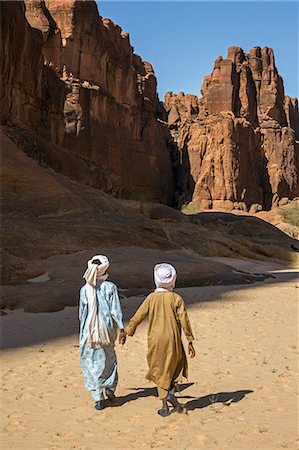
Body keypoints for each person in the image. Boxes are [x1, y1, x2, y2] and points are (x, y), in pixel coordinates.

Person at [125, 262, 196, 417]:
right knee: (173, 366)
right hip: (173, 338)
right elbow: (184, 321)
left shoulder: (151, 298)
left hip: (155, 339)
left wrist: (128, 330)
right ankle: (169, 394)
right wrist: (190, 340)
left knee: (159, 368)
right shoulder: (176, 298)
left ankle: (164, 405)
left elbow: (138, 316)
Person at [79, 255, 126, 410]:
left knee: (91, 361)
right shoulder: (110, 287)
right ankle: (110, 389)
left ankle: (97, 397)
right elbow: (115, 310)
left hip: (88, 330)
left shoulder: (85, 289)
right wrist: (121, 328)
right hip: (107, 329)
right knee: (109, 358)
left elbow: (82, 313)